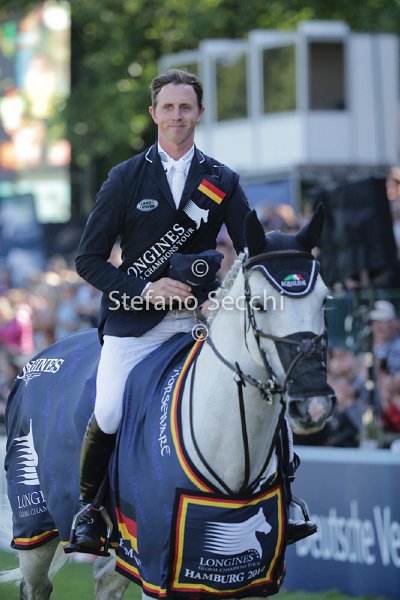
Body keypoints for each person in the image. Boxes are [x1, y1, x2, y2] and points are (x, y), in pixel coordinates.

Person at [71, 68, 315, 553]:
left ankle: (287, 502)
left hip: (201, 322)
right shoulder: (124, 178)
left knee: (269, 393)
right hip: (134, 322)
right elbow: (88, 260)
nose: (177, 116)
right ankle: (90, 510)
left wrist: (226, 295)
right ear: (153, 113)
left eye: (185, 107)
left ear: (199, 113)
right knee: (110, 407)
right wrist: (144, 288)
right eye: (168, 107)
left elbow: (252, 251)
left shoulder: (222, 180)